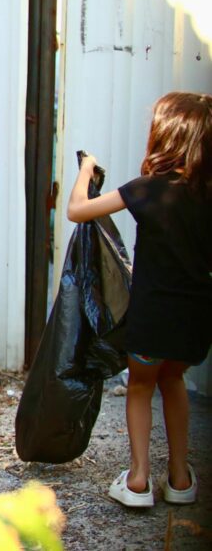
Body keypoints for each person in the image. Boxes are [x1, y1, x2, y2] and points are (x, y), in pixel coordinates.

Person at [67, 91, 212, 508]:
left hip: (152, 319)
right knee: (174, 381)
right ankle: (181, 479)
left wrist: (86, 170)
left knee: (140, 387)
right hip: (196, 321)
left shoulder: (146, 190)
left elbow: (79, 210)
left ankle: (138, 480)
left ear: (164, 136)